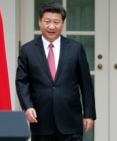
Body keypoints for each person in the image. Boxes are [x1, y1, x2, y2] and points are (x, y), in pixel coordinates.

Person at [15, 2, 96, 141]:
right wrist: (27, 107)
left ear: (62, 24)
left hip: (70, 120)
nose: (51, 26)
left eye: (56, 22)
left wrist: (89, 114)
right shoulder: (28, 50)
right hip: (40, 120)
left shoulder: (75, 49)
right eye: (47, 21)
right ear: (39, 22)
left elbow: (86, 84)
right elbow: (22, 81)